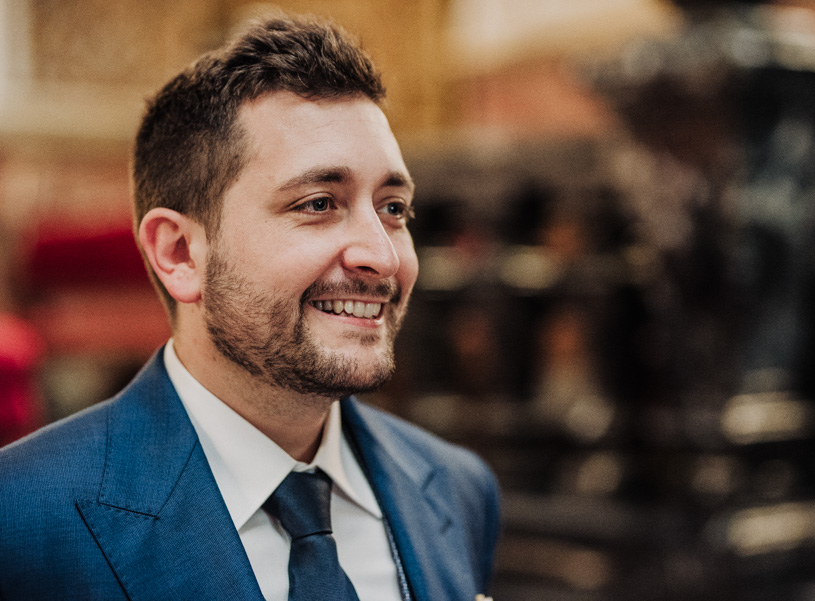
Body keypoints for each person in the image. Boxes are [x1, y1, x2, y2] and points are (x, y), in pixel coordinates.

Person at [0, 14, 500, 601]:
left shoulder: (459, 492)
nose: (383, 256)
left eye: (393, 209)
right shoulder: (24, 521)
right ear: (181, 252)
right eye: (318, 203)